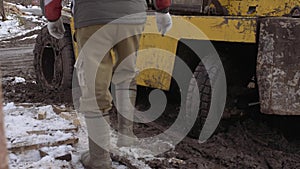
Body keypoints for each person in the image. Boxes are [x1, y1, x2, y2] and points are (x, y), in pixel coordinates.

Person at [43, 0, 172, 168]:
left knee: (95, 84)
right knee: (126, 73)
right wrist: (163, 9)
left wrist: (52, 16)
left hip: (91, 15)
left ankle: (99, 159)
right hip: (132, 13)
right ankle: (126, 136)